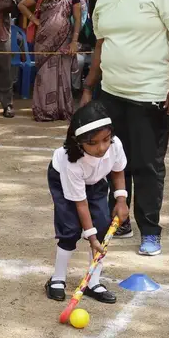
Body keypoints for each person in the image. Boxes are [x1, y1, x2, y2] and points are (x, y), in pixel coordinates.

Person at [83, 0, 169, 257]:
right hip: (111, 95)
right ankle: (121, 219)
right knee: (114, 161)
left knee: (147, 165)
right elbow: (100, 45)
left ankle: (151, 231)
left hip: (150, 96)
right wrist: (89, 87)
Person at [45, 100, 130, 304]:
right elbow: (80, 203)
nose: (101, 148)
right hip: (63, 180)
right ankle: (57, 278)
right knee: (70, 228)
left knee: (102, 226)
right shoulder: (71, 161)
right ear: (78, 141)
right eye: (92, 143)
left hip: (94, 179)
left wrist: (121, 199)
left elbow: (118, 171)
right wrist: (90, 238)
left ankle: (93, 282)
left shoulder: (115, 145)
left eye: (105, 139)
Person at [19, 0, 79, 122]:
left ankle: (63, 110)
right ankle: (45, 111)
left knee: (63, 75)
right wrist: (34, 20)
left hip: (64, 41)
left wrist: (74, 41)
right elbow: (22, 5)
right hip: (43, 42)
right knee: (45, 76)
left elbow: (78, 20)